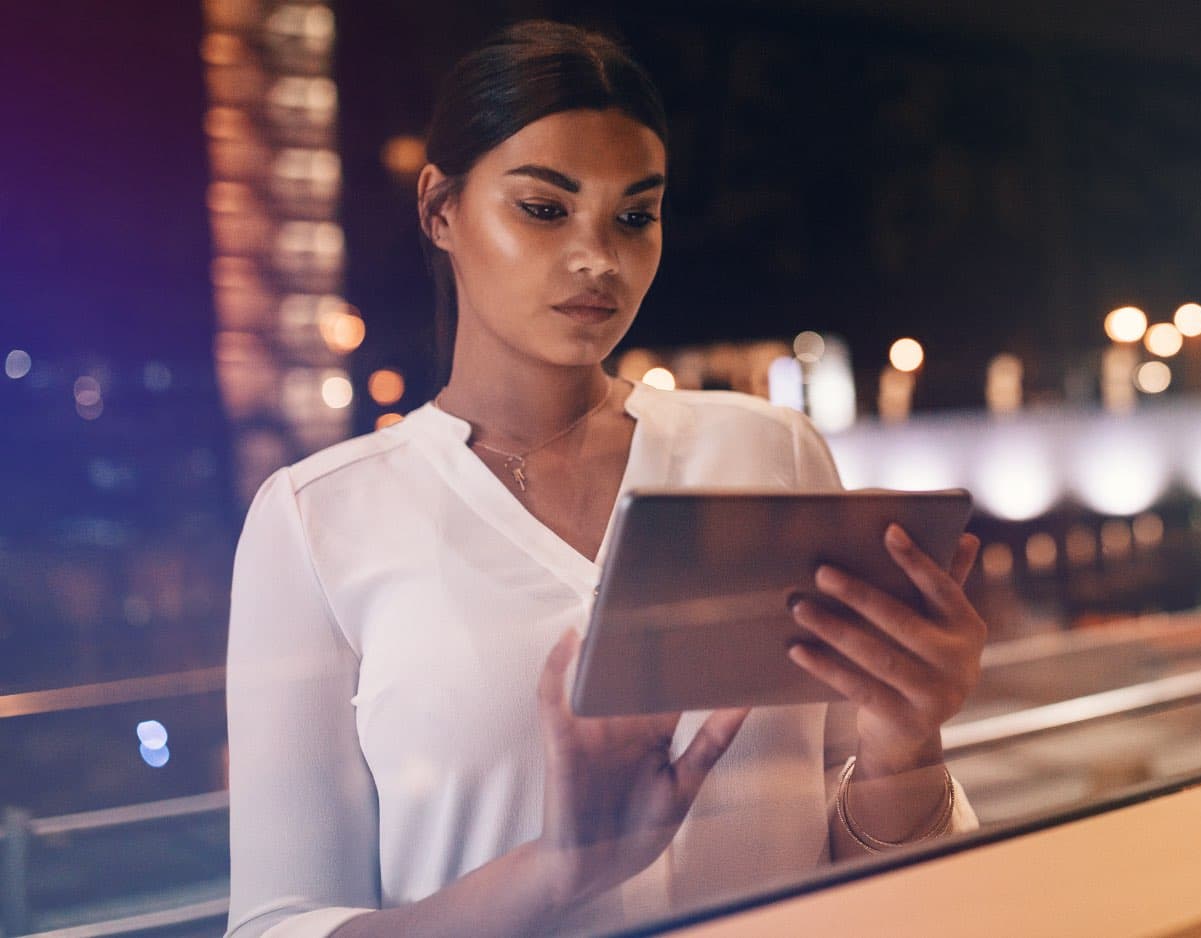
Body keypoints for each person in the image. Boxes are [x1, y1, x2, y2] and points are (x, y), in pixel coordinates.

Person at [224, 20, 988, 938]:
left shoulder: (768, 455)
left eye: (635, 215)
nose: (600, 256)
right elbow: (278, 925)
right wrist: (557, 874)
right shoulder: (318, 519)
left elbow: (860, 880)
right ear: (439, 210)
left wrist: (905, 746)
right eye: (544, 209)